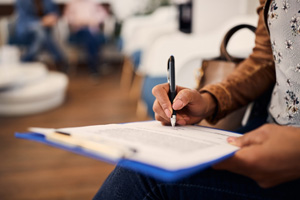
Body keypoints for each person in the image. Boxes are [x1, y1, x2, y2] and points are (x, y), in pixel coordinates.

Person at [93, 0, 300, 199]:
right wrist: (209, 99)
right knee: (146, 163)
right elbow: (265, 59)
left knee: (144, 177)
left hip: (287, 157)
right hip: (266, 128)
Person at [14, 0, 68, 72]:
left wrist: (52, 17)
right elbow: (25, 19)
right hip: (26, 31)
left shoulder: (47, 1)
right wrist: (41, 22)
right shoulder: (22, 1)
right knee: (41, 33)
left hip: (43, 32)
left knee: (41, 34)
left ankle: (25, 61)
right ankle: (60, 59)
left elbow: (55, 12)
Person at [64, 0, 108, 77]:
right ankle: (96, 65)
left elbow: (103, 15)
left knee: (92, 38)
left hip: (93, 31)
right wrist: (82, 22)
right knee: (91, 37)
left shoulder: (93, 3)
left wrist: (94, 20)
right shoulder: (72, 4)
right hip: (79, 31)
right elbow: (68, 18)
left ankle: (94, 67)